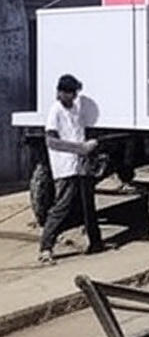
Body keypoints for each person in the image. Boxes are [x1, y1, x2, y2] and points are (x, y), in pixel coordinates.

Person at [38, 74, 102, 265]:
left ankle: (96, 242)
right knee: (62, 206)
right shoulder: (55, 111)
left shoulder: (75, 108)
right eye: (70, 93)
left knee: (88, 203)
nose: (73, 97)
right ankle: (46, 247)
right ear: (60, 92)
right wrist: (79, 148)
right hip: (65, 166)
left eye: (75, 93)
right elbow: (51, 141)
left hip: (80, 164)